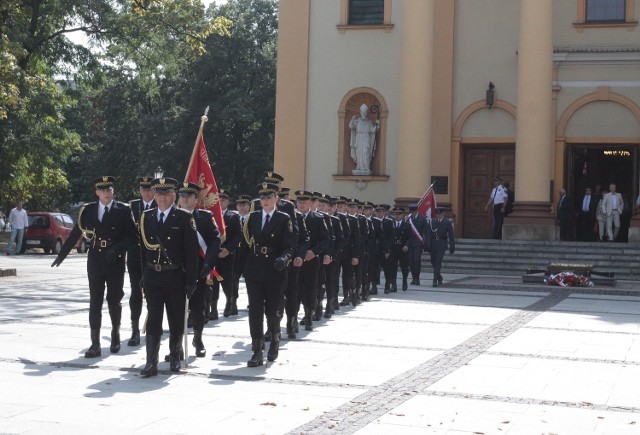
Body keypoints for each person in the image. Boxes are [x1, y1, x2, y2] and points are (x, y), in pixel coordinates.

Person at [51, 176, 137, 358]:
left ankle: (115, 333)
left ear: (113, 191)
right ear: (97, 192)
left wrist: (117, 249)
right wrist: (62, 255)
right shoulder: (88, 210)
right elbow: (77, 232)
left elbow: (132, 237)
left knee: (114, 299)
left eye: (109, 189)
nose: (106, 192)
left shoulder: (123, 210)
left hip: (115, 260)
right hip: (96, 259)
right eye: (102, 189)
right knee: (95, 301)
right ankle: (95, 343)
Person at [138, 177, 199, 377]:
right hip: (153, 276)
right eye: (159, 193)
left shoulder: (183, 217)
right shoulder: (146, 217)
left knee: (175, 319)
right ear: (154, 195)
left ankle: (174, 357)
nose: (162, 197)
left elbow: (191, 252)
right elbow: (142, 250)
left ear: (174, 195)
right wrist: (142, 275)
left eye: (166, 193)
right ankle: (151, 362)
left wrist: (191, 280)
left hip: (175, 277)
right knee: (154, 320)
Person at [243, 182, 293, 367]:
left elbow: (289, 246)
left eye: (269, 197)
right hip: (254, 269)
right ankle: (257, 350)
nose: (265, 201)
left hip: (274, 270)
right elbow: (245, 244)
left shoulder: (283, 218)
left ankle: (275, 340)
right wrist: (238, 269)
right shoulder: (252, 218)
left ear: (276, 199)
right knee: (255, 311)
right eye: (262, 197)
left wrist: (284, 258)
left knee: (272, 311)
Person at [176, 182, 220, 358]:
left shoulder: (205, 217)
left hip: (199, 270)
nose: (185, 199)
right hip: (177, 271)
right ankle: (177, 346)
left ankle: (198, 339)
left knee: (198, 309)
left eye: (189, 196)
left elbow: (215, 242)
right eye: (182, 196)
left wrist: (208, 264)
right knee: (176, 309)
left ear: (196, 199)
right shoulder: (173, 216)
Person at [126, 176, 156, 346]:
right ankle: (135, 329)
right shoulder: (132, 206)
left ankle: (151, 327)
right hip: (135, 257)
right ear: (139, 190)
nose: (147, 192)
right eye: (144, 189)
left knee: (153, 294)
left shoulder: (159, 205)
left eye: (150, 189)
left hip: (152, 256)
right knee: (135, 292)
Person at [212, 190, 242, 319]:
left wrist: (228, 249)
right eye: (219, 199)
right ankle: (213, 309)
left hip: (227, 255)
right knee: (212, 282)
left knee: (227, 281)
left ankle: (230, 302)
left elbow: (238, 236)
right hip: (213, 254)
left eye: (224, 199)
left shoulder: (233, 216)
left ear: (229, 202)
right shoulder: (210, 215)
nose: (221, 201)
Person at [425, 207, 455, 287]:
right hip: (433, 244)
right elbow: (428, 234)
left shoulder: (447, 222)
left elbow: (451, 235)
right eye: (437, 214)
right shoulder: (432, 221)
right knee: (433, 261)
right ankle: (439, 277)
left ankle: (435, 279)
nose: (438, 215)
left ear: (443, 214)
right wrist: (427, 245)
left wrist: (452, 247)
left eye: (440, 214)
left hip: (442, 244)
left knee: (438, 261)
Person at [349, 104, 379, 175]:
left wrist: (377, 126)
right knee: (359, 153)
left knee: (366, 152)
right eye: (362, 112)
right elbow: (351, 126)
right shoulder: (357, 121)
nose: (364, 114)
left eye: (365, 113)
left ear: (366, 113)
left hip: (366, 138)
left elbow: (372, 130)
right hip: (359, 138)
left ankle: (366, 167)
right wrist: (352, 120)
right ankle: (359, 167)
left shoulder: (369, 122)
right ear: (360, 112)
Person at [388, 207, 410, 292]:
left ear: (403, 215)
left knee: (404, 267)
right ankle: (394, 285)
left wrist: (407, 245)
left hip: (403, 249)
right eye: (395, 214)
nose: (397, 216)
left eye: (399, 214)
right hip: (393, 249)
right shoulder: (390, 224)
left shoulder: (407, 225)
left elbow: (409, 238)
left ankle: (404, 280)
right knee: (393, 267)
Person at [406, 204, 428, 285]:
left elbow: (425, 231)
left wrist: (425, 244)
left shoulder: (422, 219)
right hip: (409, 242)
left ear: (416, 211)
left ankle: (417, 278)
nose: (412, 213)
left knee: (416, 260)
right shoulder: (408, 218)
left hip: (418, 242)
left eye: (414, 211)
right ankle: (413, 277)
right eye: (411, 212)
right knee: (411, 261)